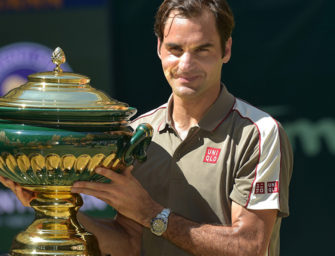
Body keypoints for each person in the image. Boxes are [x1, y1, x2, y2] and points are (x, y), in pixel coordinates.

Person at [0, 0, 293, 255]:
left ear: (226, 49)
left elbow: (249, 247)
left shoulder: (259, 132)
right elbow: (127, 246)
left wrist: (151, 213)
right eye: (175, 49)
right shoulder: (136, 133)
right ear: (159, 48)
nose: (186, 64)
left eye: (202, 49)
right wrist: (51, 203)